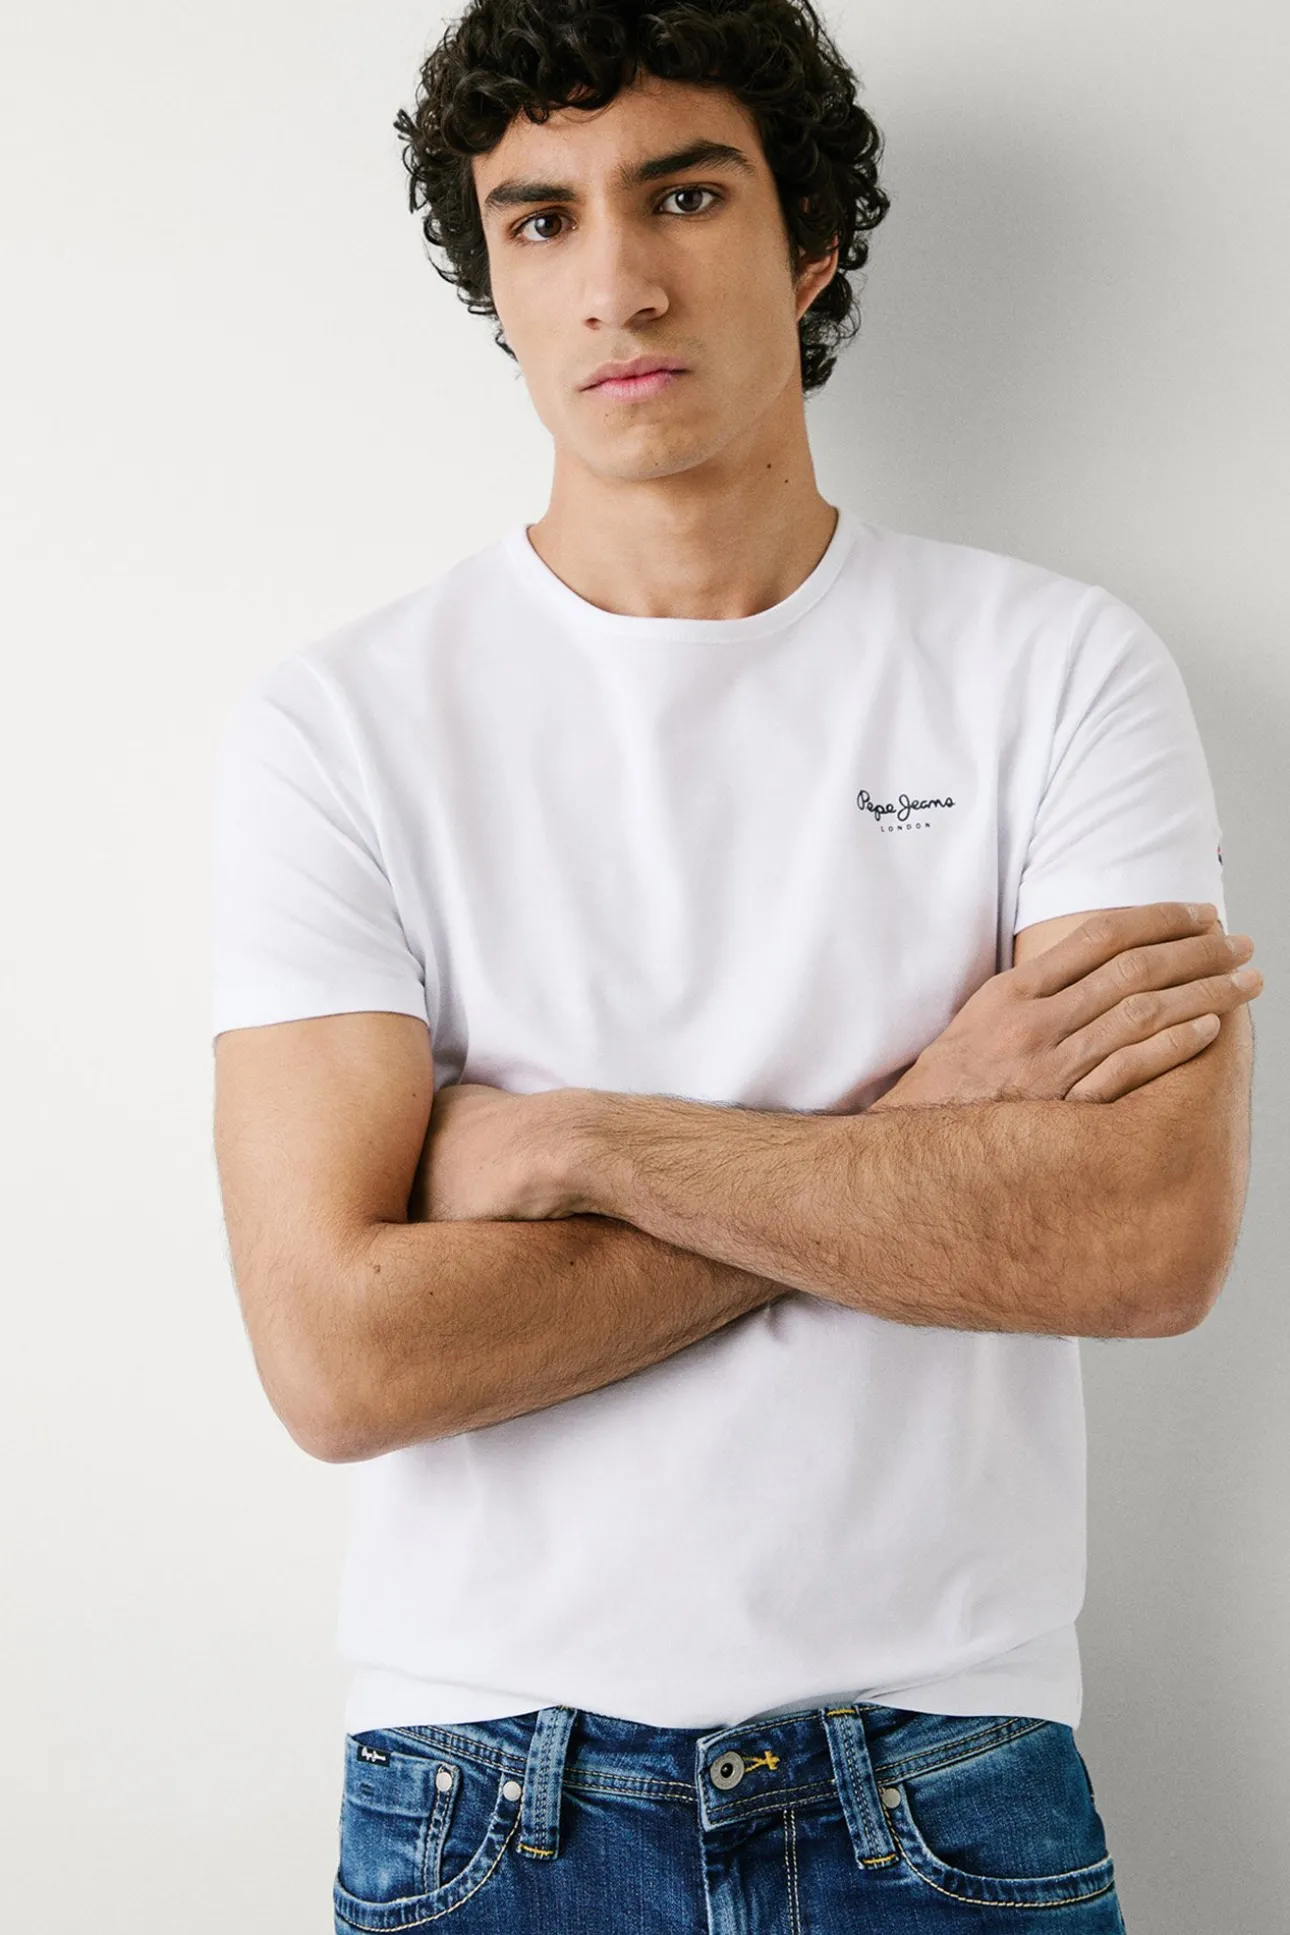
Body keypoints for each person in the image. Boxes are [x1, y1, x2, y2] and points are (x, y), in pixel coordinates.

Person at [209, 1, 1260, 1926]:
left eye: (682, 196)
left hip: (942, 1774)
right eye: (540, 219)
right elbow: (343, 1358)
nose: (615, 281)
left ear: (809, 239)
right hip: (485, 1791)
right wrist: (921, 1130)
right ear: (494, 279)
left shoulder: (1056, 670)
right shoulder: (343, 726)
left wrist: (578, 1143)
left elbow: (1136, 1239)